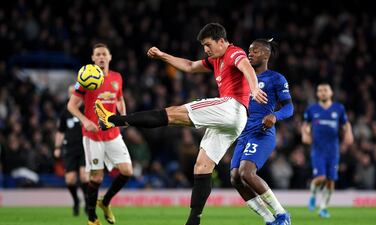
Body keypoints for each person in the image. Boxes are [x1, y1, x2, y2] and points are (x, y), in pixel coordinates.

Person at [95, 23, 267, 225]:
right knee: (202, 166)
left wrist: (254, 88)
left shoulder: (233, 52)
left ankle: (114, 120)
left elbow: (246, 66)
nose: (206, 50)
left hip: (232, 107)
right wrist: (162, 56)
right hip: (234, 121)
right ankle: (193, 222)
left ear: (221, 41)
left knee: (172, 113)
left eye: (208, 45)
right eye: (204, 46)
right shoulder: (216, 59)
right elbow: (189, 66)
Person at [68, 43, 133, 225]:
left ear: (110, 57)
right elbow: (71, 106)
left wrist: (124, 116)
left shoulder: (117, 77)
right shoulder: (85, 78)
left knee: (127, 171)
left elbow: (119, 98)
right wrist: (86, 121)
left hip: (112, 133)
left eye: (104, 54)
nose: (102, 57)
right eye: (98, 54)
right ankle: (92, 218)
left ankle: (105, 202)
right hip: (93, 136)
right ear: (93, 58)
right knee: (96, 177)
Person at [230, 38, 293, 225]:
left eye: (255, 51)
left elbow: (290, 108)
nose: (250, 54)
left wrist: (274, 116)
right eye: (249, 51)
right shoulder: (242, 77)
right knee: (235, 178)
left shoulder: (276, 78)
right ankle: (268, 219)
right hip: (243, 133)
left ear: (267, 54)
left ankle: (282, 214)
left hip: (261, 132)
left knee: (246, 173)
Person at [301, 83, 353, 218]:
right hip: (318, 150)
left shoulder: (339, 108)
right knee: (321, 178)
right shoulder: (312, 109)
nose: (323, 92)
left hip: (333, 150)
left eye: (325, 90)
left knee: (330, 181)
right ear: (317, 94)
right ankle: (313, 195)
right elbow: (305, 125)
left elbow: (345, 124)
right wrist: (305, 134)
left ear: (331, 93)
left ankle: (323, 208)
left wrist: (349, 133)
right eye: (320, 90)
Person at [54, 85, 89, 216]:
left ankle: (87, 201)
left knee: (84, 177)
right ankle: (76, 200)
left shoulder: (87, 110)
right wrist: (57, 147)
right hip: (69, 148)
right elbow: (60, 132)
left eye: (74, 92)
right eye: (70, 93)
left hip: (84, 147)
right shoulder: (65, 112)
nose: (72, 95)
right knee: (70, 179)